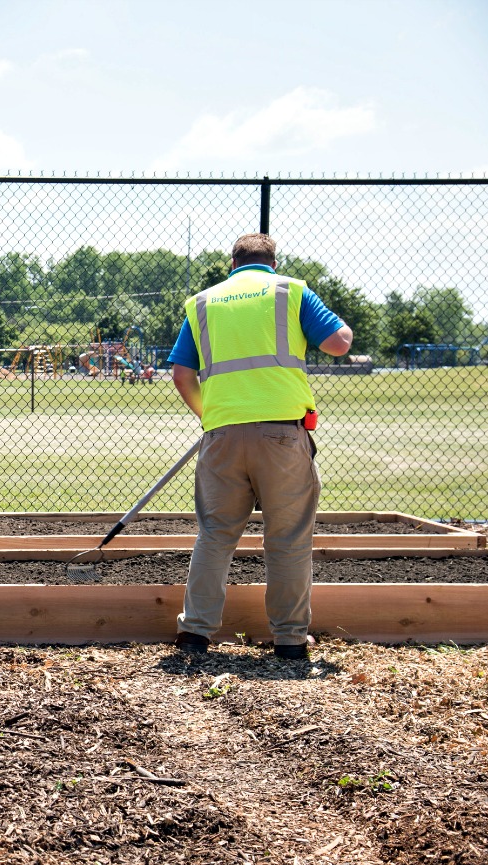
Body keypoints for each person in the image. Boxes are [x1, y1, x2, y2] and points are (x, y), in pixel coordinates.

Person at [168, 233, 353, 659]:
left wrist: (210, 417)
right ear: (272, 261)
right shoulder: (291, 291)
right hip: (283, 437)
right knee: (287, 538)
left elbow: (182, 374)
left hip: (221, 436)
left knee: (214, 535)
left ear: (231, 263)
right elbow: (339, 343)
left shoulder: (202, 302)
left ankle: (195, 633)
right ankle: (289, 640)